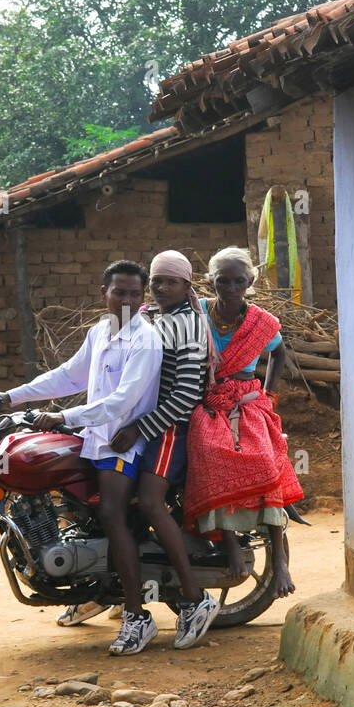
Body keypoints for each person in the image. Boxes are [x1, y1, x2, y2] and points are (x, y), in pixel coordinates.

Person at [0, 260, 165, 655]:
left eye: (135, 293)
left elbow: (122, 401)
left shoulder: (146, 339)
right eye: (119, 292)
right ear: (102, 292)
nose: (127, 300)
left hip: (123, 442)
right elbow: (68, 376)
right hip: (94, 436)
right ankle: (95, 588)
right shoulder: (99, 332)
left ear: (142, 297)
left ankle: (137, 616)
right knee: (73, 507)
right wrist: (10, 396)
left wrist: (63, 416)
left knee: (110, 513)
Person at [107, 250, 219, 649]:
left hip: (171, 428)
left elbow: (187, 393)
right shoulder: (156, 318)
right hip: (148, 426)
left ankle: (194, 597)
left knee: (151, 502)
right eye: (156, 280)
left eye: (170, 281)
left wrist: (140, 426)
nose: (161, 287)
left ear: (187, 285)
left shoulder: (187, 326)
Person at [182, 246, 304, 597]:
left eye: (239, 281)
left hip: (248, 402)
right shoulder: (199, 311)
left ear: (250, 282)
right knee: (209, 456)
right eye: (223, 281)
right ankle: (230, 544)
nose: (231, 288)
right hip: (209, 402)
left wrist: (268, 393)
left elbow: (279, 353)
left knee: (268, 465)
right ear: (211, 282)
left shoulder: (261, 323)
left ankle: (279, 558)